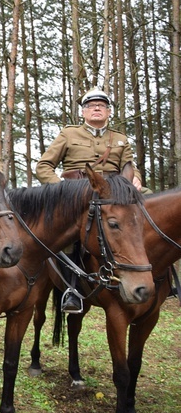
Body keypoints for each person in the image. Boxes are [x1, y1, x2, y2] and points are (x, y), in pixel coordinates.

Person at [35, 87, 144, 313]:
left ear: (109, 111)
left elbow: (130, 167)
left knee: (151, 211)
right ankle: (71, 289)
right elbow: (43, 167)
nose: (96, 108)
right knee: (64, 234)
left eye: (101, 105)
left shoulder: (121, 139)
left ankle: (157, 275)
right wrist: (62, 191)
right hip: (76, 195)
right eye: (91, 106)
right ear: (83, 112)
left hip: (113, 194)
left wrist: (137, 180)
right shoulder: (68, 134)